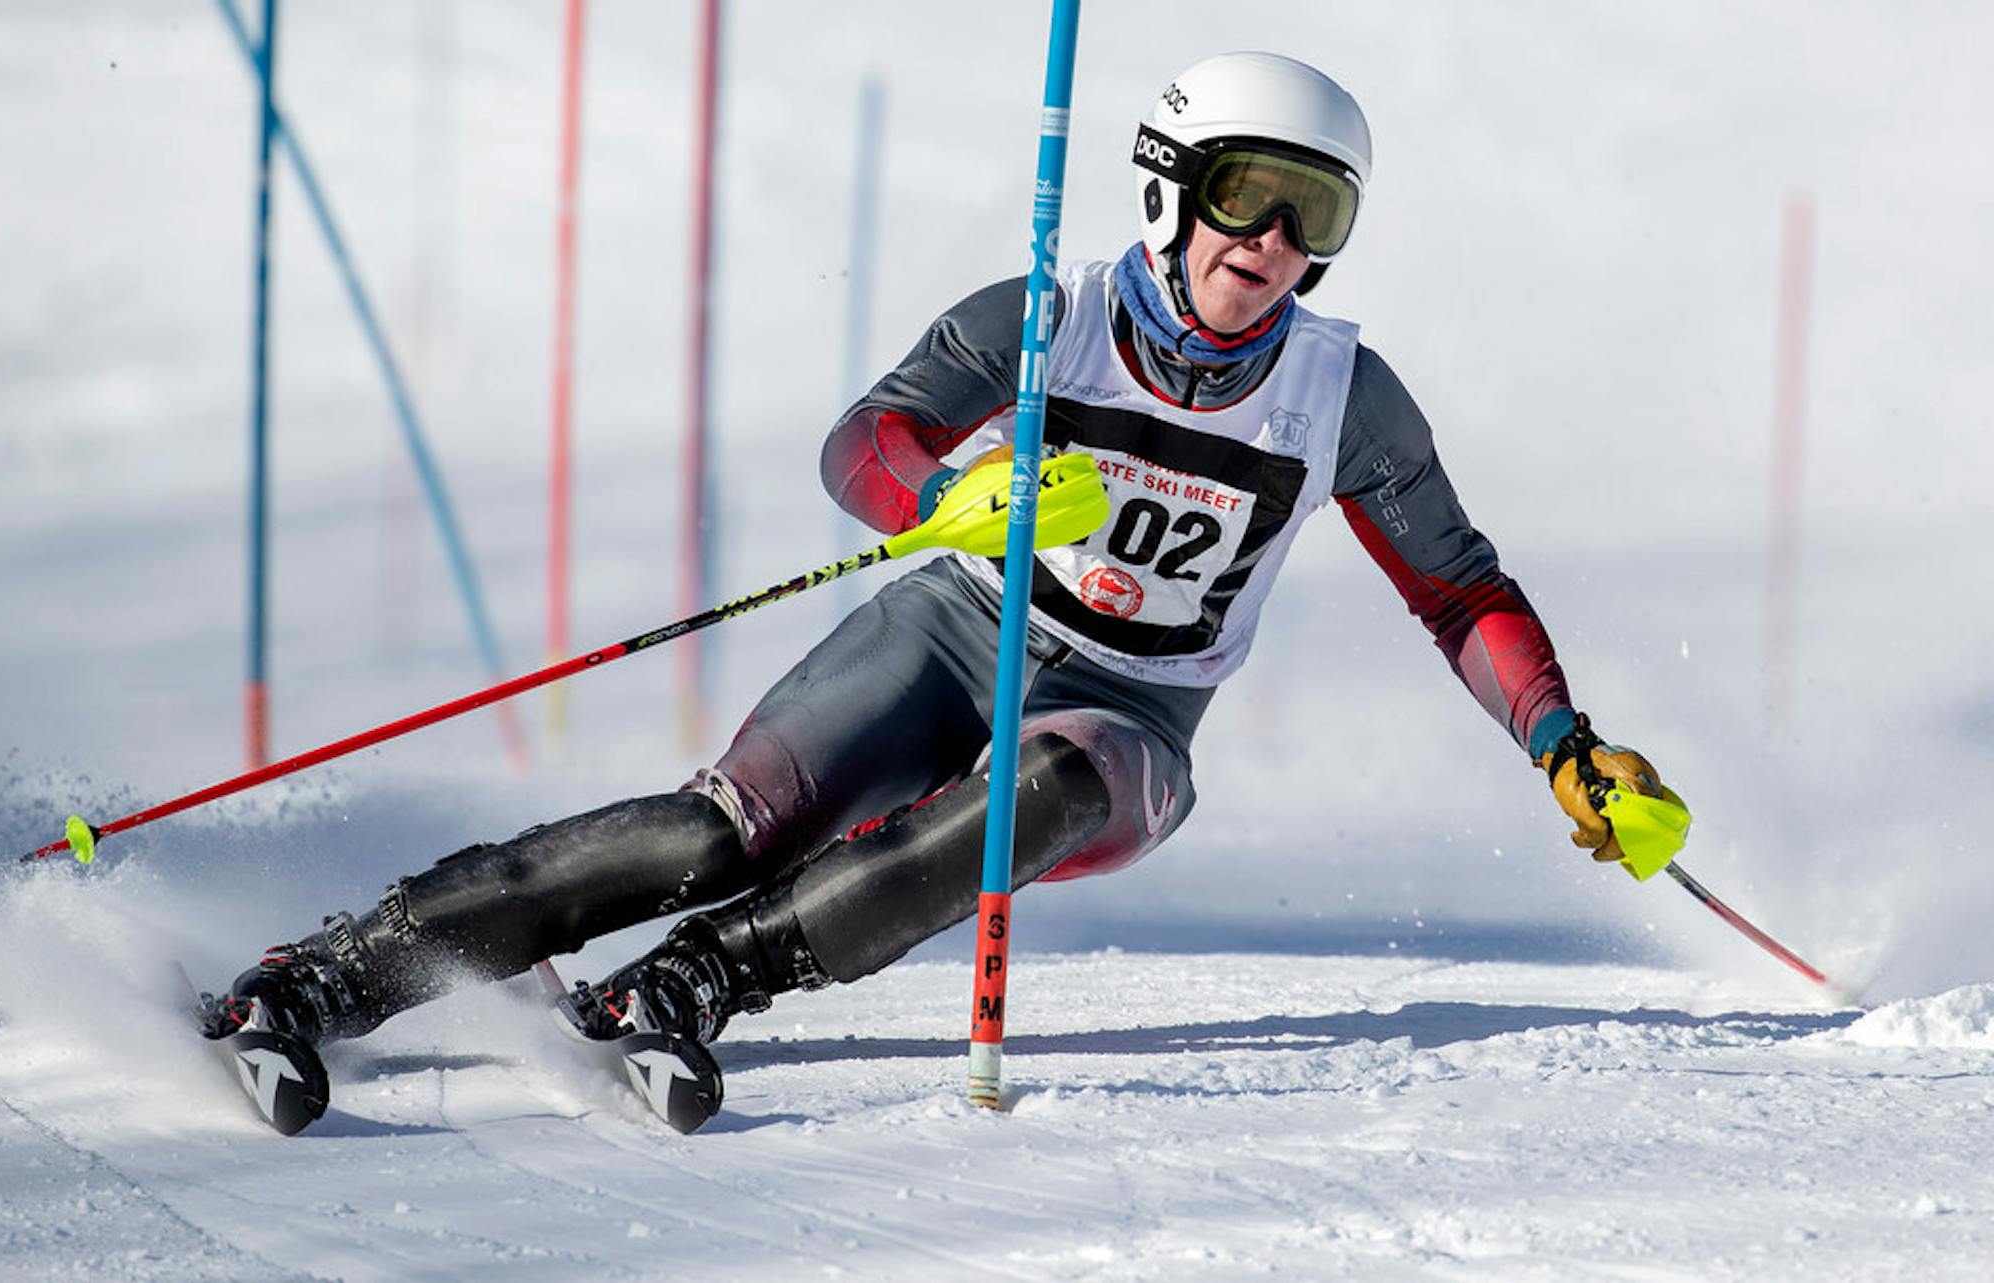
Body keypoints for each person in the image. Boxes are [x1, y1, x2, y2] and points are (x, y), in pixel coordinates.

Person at [201, 51, 1682, 1060]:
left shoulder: (1343, 396)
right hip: (951, 630)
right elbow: (865, 440)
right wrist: (944, 502)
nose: (1277, 240)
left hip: (1133, 716)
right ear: (1172, 185)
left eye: (1320, 214)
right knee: (725, 831)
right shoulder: (1047, 323)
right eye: (1249, 192)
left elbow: (1460, 589)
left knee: (1032, 794)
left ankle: (695, 985)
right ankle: (343, 968)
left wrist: (1566, 744)